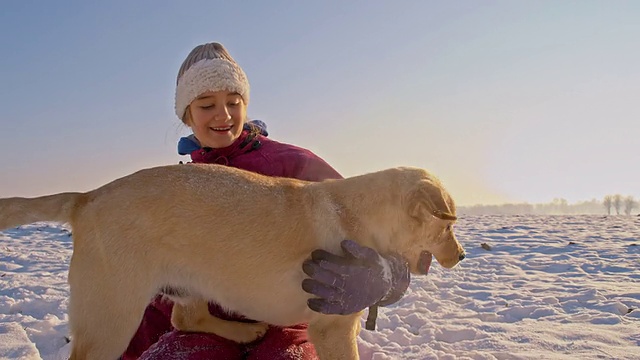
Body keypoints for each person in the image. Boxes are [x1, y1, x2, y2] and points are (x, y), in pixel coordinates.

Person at [120, 42, 411, 360]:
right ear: (186, 115)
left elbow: (383, 230)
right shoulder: (179, 189)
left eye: (234, 101)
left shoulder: (293, 165)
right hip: (208, 329)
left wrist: (384, 275)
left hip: (289, 325)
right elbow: (163, 288)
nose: (224, 114)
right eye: (206, 105)